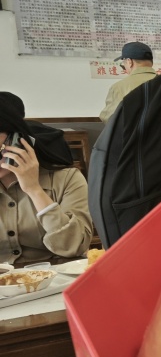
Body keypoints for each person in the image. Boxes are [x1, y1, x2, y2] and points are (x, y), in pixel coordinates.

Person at [1, 92, 93, 266]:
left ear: (17, 141)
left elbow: (74, 247)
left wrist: (34, 190)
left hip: (55, 279)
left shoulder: (66, 179)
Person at [97, 42, 157, 122]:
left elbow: (109, 118)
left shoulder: (119, 87)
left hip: (132, 134)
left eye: (123, 63)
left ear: (129, 62)